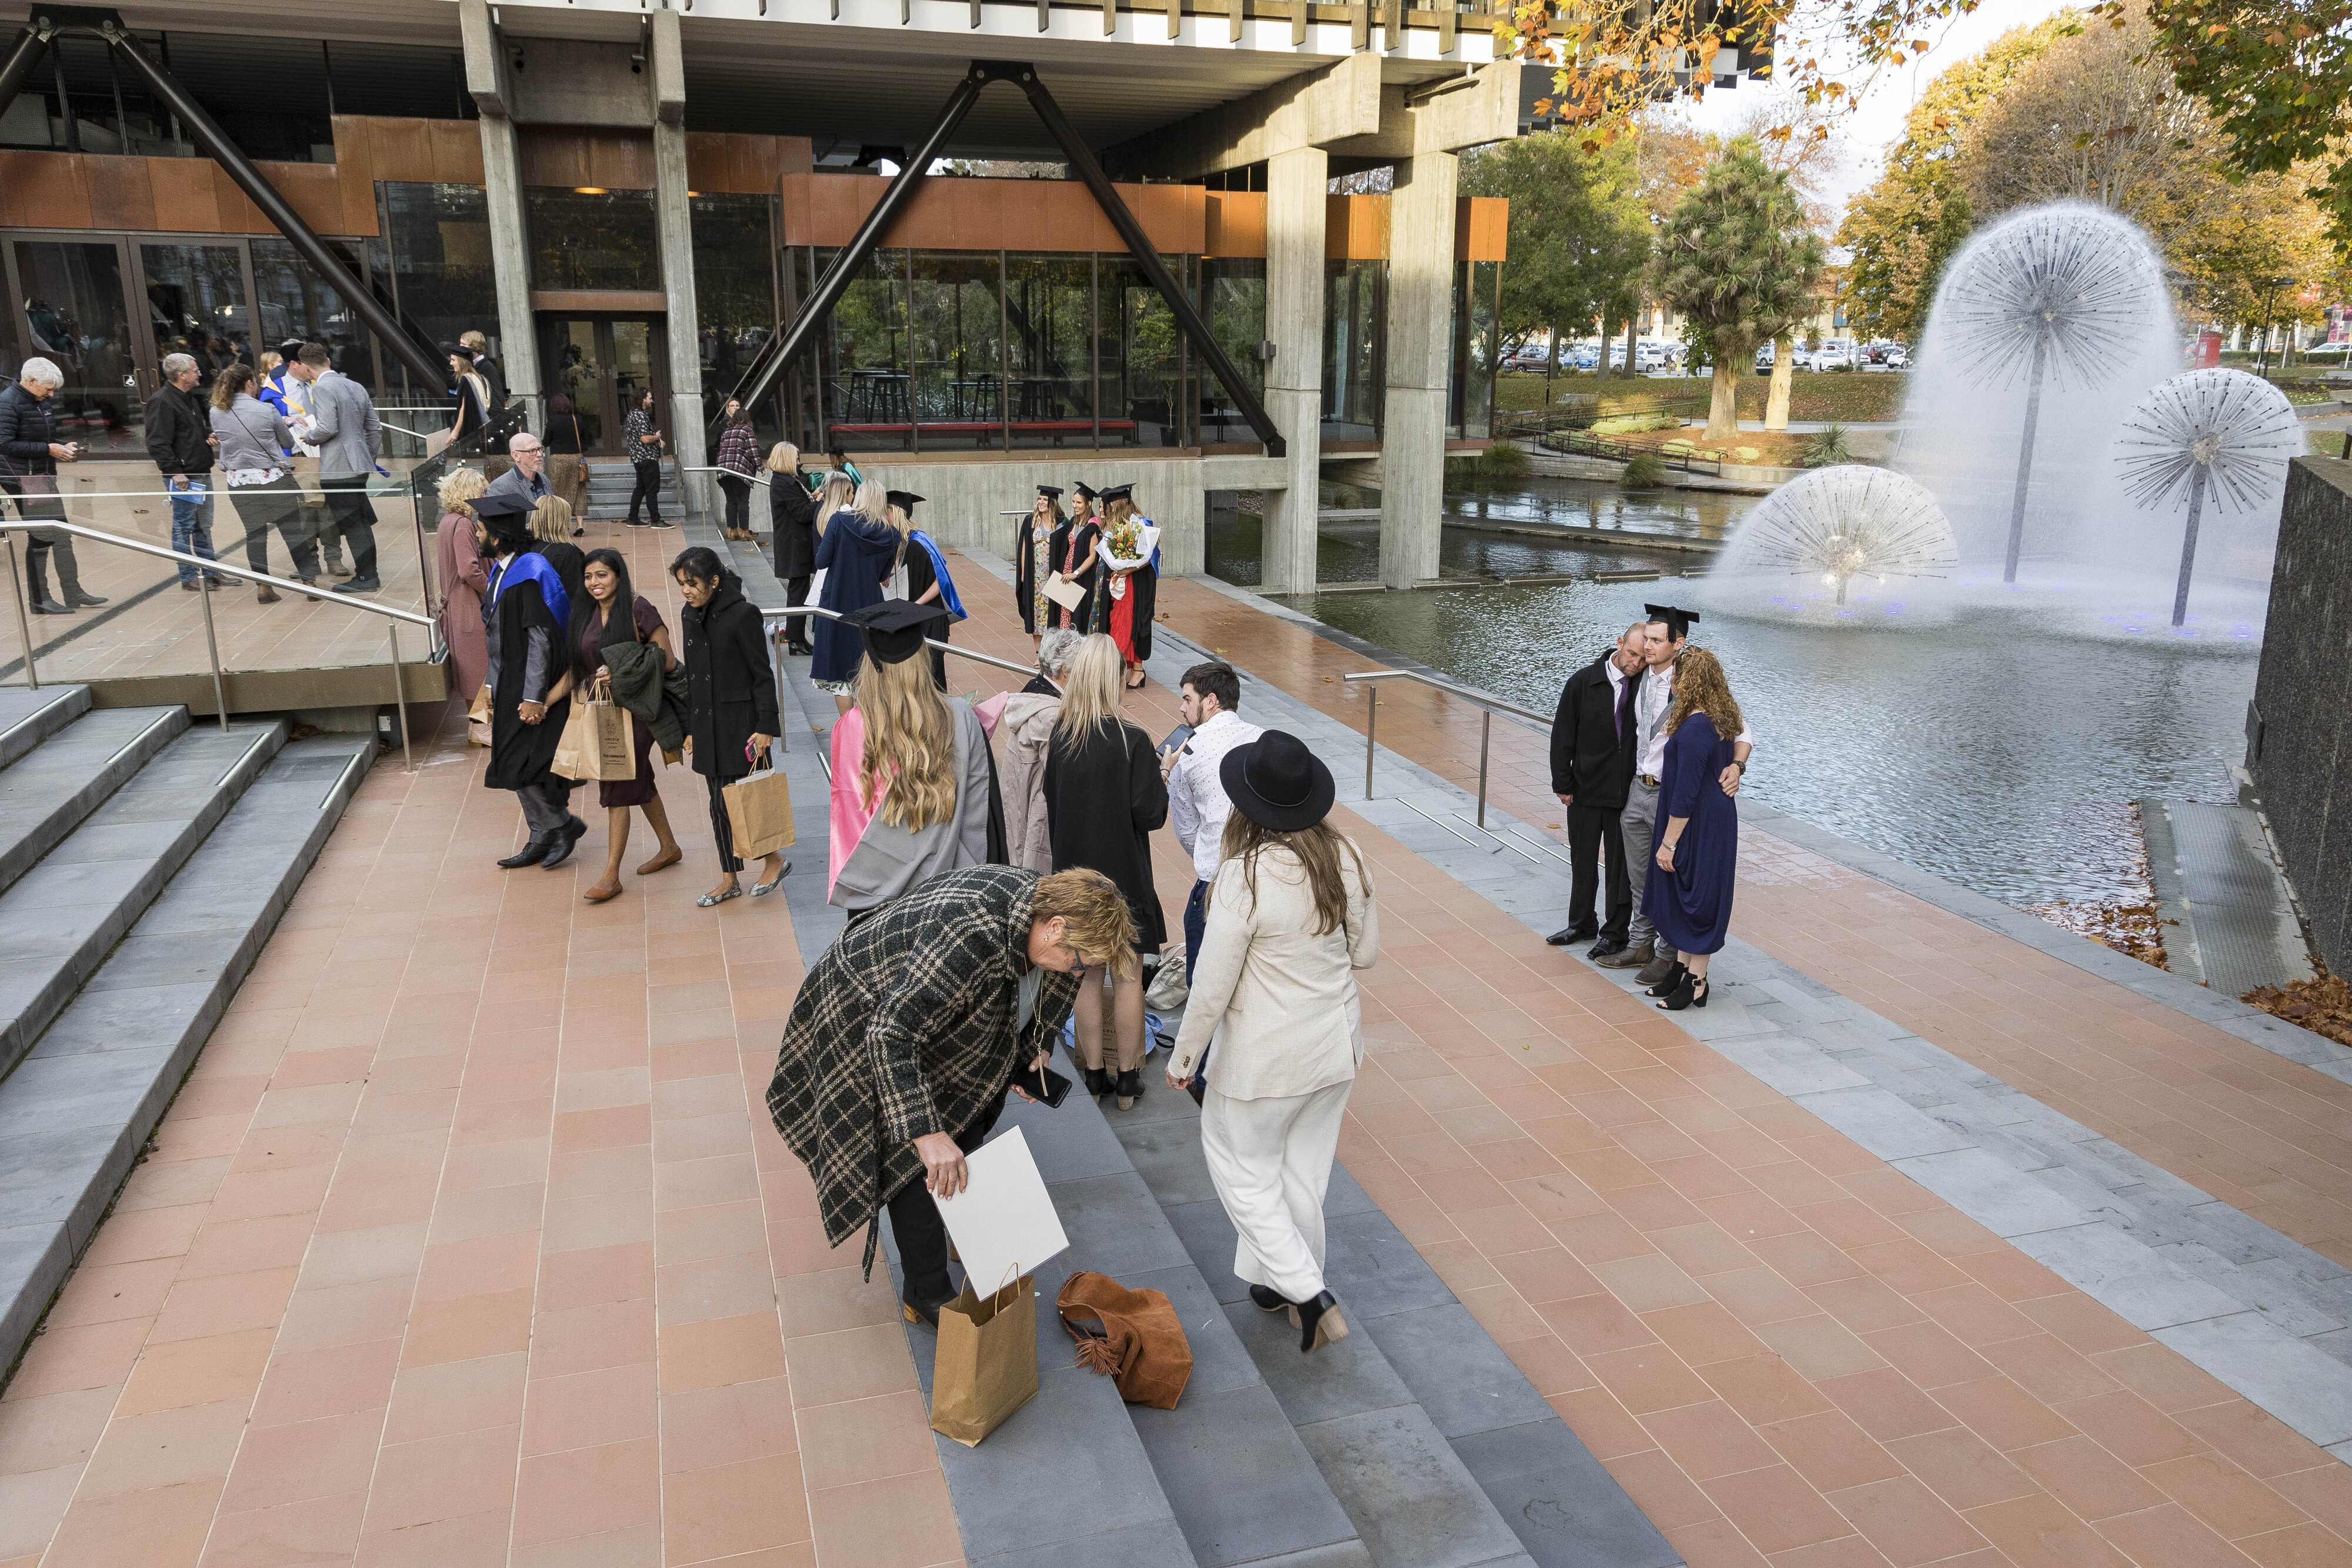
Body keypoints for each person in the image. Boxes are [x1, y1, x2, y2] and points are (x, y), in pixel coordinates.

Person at [765, 863, 1133, 1323]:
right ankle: (926, 1292)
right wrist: (926, 1133)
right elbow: (889, 1033)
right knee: (916, 1166)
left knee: (967, 1119)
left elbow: (1044, 986)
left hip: (915, 1010)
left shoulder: (1044, 908)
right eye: (1079, 961)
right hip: (862, 1013)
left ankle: (960, 1222)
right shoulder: (967, 934)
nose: (1078, 972)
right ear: (1054, 927)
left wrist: (1031, 1047)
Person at [1164, 729, 1378, 1356]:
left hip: (1263, 1058)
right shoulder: (1347, 854)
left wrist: (1184, 1059)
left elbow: (1211, 987)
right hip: (1335, 1045)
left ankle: (1309, 1293)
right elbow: (1364, 953)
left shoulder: (1242, 877)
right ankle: (1274, 1282)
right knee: (1301, 1174)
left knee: (1243, 1171)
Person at [1043, 633, 1167, 1110]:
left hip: (1074, 880)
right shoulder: (1132, 741)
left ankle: (1094, 1073)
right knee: (1129, 979)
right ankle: (1128, 1079)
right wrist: (1163, 774)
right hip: (1124, 880)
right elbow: (1149, 816)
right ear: (1114, 678)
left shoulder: (1061, 737)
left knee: (1085, 978)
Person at [1603, 605, 1753, 983]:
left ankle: (1671, 957)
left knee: (1671, 876)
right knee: (1642, 878)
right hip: (1638, 789)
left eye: (1656, 641)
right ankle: (1640, 943)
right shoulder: (1638, 677)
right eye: (1646, 640)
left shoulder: (1694, 684)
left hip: (1673, 799)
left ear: (1678, 643)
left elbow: (1742, 733)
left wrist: (1737, 766)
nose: (1648, 647)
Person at [828, 600, 997, 919]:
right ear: (922, 658)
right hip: (949, 892)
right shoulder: (961, 716)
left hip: (874, 898)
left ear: (871, 663)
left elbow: (852, 816)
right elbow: (980, 810)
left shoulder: (850, 727)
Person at [569, 548, 685, 904]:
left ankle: (610, 876)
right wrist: (542, 701)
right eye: (589, 577)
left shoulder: (638, 608)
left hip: (639, 709)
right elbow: (575, 670)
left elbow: (666, 660)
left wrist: (618, 671)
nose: (594, 583)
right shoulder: (586, 612)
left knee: (617, 782)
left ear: (618, 575)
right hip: (604, 712)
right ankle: (669, 846)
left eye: (602, 575)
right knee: (638, 779)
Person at [477, 488, 584, 871]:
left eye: (481, 531)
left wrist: (534, 696)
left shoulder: (528, 571)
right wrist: (490, 684)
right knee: (511, 764)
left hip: (528, 684)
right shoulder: (500, 572)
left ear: (497, 536)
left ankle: (560, 826)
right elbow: (496, 637)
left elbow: (539, 637)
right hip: (507, 682)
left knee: (519, 764)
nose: (477, 536)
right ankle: (541, 834)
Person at [673, 545, 785, 906]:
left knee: (747, 799)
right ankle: (729, 877)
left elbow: (762, 676)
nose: (687, 591)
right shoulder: (689, 616)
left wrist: (767, 725)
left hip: (743, 727)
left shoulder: (743, 615)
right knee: (717, 804)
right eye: (681, 584)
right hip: (707, 726)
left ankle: (773, 859)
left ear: (715, 580)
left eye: (692, 583)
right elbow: (692, 677)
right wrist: (689, 728)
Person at [1641, 646, 1744, 1011]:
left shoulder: (1698, 726)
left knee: (1698, 897)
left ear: (1689, 680)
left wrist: (1668, 843)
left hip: (1698, 821)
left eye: (1676, 675)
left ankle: (1697, 982)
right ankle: (1682, 971)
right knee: (1687, 891)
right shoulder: (1717, 715)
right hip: (1711, 817)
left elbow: (1685, 795)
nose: (1672, 681)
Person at [1546, 623, 1647, 957]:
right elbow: (1563, 734)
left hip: (1625, 794)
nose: (1636, 663)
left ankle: (1615, 933)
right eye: (1632, 654)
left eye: (1643, 658)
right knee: (1583, 860)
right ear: (1619, 644)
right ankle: (1581, 923)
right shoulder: (1582, 682)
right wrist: (1563, 783)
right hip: (1586, 790)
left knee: (1620, 867)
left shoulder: (1645, 687)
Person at [1165, 659, 1263, 983]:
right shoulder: (1263, 739)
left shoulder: (1187, 752)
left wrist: (1209, 852)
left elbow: (1188, 830)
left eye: (1187, 699)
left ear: (1210, 701)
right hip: (1263, 875)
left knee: (1205, 981)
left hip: (1214, 881)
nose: (1182, 708)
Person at [209, 363, 321, 605]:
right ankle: (310, 583)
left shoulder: (216, 412)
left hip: (239, 483)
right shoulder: (266, 410)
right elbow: (286, 442)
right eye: (255, 382)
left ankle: (263, 586)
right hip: (273, 480)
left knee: (255, 534)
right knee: (293, 532)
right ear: (249, 383)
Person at [0, 358, 100, 616]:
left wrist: (61, 445)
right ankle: (40, 599)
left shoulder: (39, 401)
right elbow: (5, 444)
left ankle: (72, 591)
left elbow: (42, 436)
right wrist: (49, 449)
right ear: (31, 381)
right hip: (24, 479)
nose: (51, 394)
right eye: (48, 388)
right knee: (41, 538)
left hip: (42, 476)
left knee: (62, 535)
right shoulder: (8, 403)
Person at [289, 342, 383, 593]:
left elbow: (328, 428)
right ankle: (368, 574)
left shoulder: (322, 388)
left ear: (306, 367)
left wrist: (309, 436)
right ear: (328, 361)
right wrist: (365, 456)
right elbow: (375, 429)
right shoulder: (354, 385)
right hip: (358, 464)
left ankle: (367, 577)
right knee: (360, 520)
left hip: (337, 467)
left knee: (353, 523)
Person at [809, 476, 899, 708]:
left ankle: (849, 735)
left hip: (836, 603)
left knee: (841, 676)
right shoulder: (891, 535)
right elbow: (883, 576)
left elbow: (820, 562)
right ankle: (869, 732)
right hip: (870, 606)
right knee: (868, 671)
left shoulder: (839, 521)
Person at [997, 627, 1080, 874]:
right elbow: (1067, 777)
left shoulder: (1034, 690)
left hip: (1018, 809)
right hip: (1035, 820)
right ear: (1065, 670)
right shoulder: (1051, 716)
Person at [144, 352, 222, 592]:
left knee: (202, 525)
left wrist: (207, 435)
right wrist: (174, 471)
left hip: (199, 469)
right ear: (182, 375)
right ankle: (188, 575)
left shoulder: (188, 398)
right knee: (183, 525)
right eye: (195, 370)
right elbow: (157, 441)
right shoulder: (163, 401)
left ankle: (210, 572)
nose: (199, 373)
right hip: (185, 476)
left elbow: (195, 428)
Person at [265, 339, 343, 578]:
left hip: (327, 452)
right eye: (304, 363)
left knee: (329, 506)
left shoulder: (320, 382)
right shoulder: (274, 388)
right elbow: (265, 419)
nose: (310, 368)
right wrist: (285, 420)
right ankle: (310, 561)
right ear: (293, 364)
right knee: (306, 510)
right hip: (298, 455)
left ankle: (334, 558)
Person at [890, 490, 963, 691]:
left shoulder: (918, 544)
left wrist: (916, 605)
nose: (885, 517)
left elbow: (941, 581)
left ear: (897, 513)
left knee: (930, 681)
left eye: (888, 511)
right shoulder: (910, 543)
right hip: (927, 618)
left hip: (930, 620)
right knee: (933, 679)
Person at [1093, 483, 1159, 689]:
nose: (1108, 511)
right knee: (1120, 622)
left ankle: (1137, 670)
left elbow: (1152, 555)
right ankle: (1124, 668)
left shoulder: (1141, 523)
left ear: (1120, 506)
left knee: (1137, 622)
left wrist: (1130, 569)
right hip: (1122, 582)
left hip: (1139, 584)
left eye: (1111, 507)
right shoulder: (1118, 525)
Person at [435, 465, 491, 702]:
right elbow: (468, 569)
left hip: (457, 604)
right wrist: (493, 591)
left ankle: (479, 730)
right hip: (468, 606)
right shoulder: (463, 525)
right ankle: (480, 730)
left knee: (471, 670)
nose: (485, 497)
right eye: (481, 491)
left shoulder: (448, 521)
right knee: (478, 673)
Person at [767, 441, 816, 654]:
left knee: (801, 593)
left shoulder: (790, 480)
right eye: (796, 458)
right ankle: (795, 640)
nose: (799, 462)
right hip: (794, 546)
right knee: (797, 595)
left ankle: (797, 639)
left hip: (797, 545)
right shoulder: (783, 483)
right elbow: (803, 513)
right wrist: (819, 501)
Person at [1013, 484, 1065, 645]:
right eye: (1039, 499)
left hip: (1052, 576)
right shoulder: (1030, 520)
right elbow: (1023, 547)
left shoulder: (1062, 523)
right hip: (1034, 576)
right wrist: (1022, 571)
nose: (1041, 502)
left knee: (1052, 614)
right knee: (1035, 615)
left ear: (1052, 503)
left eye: (1045, 500)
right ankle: (1038, 653)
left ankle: (1050, 650)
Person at [1054, 481, 1103, 632]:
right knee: (1066, 611)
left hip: (1082, 577)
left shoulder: (1093, 525)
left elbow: (1092, 556)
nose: (1075, 506)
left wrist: (1076, 573)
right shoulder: (1074, 521)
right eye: (1073, 502)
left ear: (1088, 504)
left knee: (1078, 614)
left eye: (1079, 503)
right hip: (1067, 572)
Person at [622, 388, 668, 529]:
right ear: (642, 399)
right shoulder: (640, 416)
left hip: (639, 458)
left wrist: (656, 441)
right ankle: (656, 519)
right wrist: (657, 437)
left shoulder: (633, 414)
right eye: (649, 397)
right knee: (652, 490)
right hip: (647, 458)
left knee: (641, 489)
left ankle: (633, 518)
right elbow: (646, 439)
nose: (651, 400)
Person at [715, 400, 759, 542]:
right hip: (739, 470)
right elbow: (753, 450)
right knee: (743, 502)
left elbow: (721, 449)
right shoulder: (747, 430)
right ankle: (745, 532)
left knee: (731, 501)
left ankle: (732, 531)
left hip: (723, 469)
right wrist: (760, 467)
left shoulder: (727, 431)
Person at [542, 392, 588, 517]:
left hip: (558, 460)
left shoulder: (552, 421)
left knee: (558, 491)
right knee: (579, 490)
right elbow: (584, 439)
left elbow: (545, 442)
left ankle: (563, 522)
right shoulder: (577, 419)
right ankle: (580, 525)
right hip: (576, 459)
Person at [486, 430, 551, 511]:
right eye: (532, 451)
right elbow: (498, 522)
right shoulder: (500, 487)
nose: (540, 454)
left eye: (540, 449)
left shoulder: (544, 479)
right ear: (516, 455)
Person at [447, 346, 492, 448]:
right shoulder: (481, 378)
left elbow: (464, 407)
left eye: (454, 360)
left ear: (462, 361)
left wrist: (456, 431)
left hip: (473, 429)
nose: (451, 363)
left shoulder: (466, 380)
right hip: (485, 425)